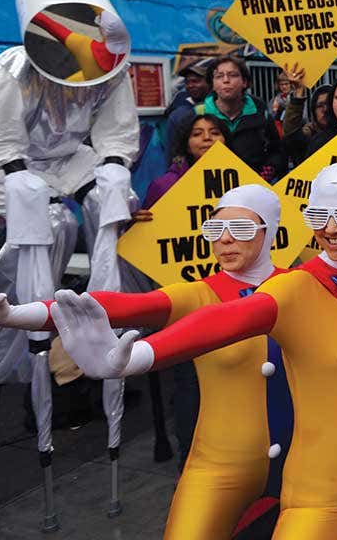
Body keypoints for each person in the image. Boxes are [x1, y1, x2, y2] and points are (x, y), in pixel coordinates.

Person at [53, 162, 337, 539]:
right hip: (324, 480)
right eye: (317, 215)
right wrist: (138, 356)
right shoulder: (295, 286)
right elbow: (223, 320)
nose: (329, 229)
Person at [3, 185, 291, 539]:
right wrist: (17, 314)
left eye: (242, 229)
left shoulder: (300, 287)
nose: (225, 239)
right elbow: (123, 305)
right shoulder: (199, 293)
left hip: (300, 458)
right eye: (215, 229)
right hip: (220, 462)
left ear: (270, 231)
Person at [0, 0, 140, 497]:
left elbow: (116, 132)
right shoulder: (11, 70)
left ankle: (110, 313)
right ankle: (33, 327)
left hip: (72, 159)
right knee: (48, 222)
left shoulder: (112, 71)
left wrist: (114, 167)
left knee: (109, 199)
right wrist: (17, 176)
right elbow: (6, 139)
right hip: (16, 166)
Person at [132, 112, 230, 465]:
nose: (206, 138)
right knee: (189, 383)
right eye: (197, 133)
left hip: (231, 300)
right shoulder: (164, 186)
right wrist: (137, 223)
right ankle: (192, 459)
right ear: (185, 142)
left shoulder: (242, 184)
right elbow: (144, 242)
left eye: (214, 132)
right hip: (188, 304)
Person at [195, 55, 286, 181]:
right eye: (219, 76)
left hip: (253, 187)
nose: (226, 80)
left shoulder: (261, 113)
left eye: (233, 75)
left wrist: (268, 171)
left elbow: (277, 151)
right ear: (213, 84)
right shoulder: (198, 115)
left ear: (244, 82)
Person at [280, 67, 333, 167]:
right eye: (320, 106)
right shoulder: (308, 135)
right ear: (313, 111)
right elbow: (291, 132)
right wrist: (299, 93)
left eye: (329, 104)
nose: (325, 109)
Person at [163, 59, 212, 151]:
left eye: (195, 81)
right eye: (187, 82)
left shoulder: (220, 106)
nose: (190, 85)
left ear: (209, 83)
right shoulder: (179, 104)